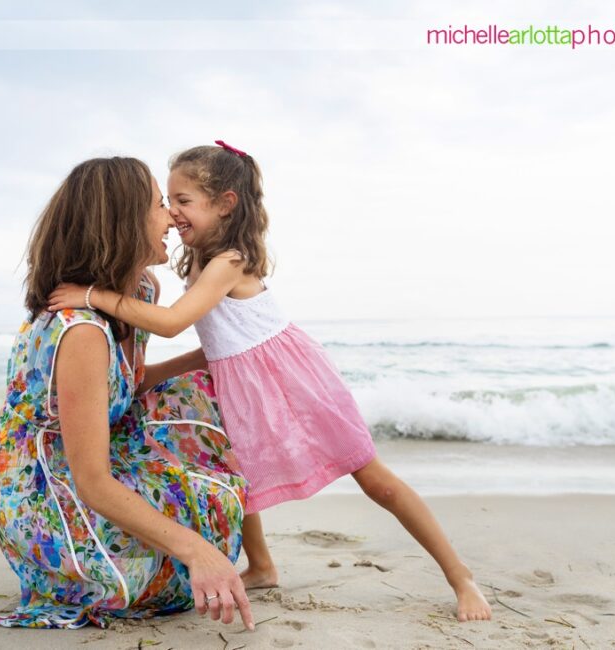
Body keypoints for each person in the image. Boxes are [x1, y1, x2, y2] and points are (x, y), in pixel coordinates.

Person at [48, 142, 493, 622]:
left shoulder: (229, 261)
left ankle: (459, 575)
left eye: (183, 200)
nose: (172, 212)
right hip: (244, 383)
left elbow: (173, 322)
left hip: (294, 381)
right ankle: (260, 565)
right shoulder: (196, 261)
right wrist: (153, 375)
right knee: (242, 476)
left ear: (225, 204)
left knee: (373, 479)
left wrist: (93, 295)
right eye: (168, 201)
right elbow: (219, 345)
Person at [0, 156, 255, 631]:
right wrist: (196, 550)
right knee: (159, 575)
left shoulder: (142, 290)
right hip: (48, 483)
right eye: (157, 206)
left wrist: (212, 359)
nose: (170, 217)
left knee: (211, 472)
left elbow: (129, 381)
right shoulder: (80, 331)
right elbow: (91, 481)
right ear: (123, 223)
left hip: (98, 451)